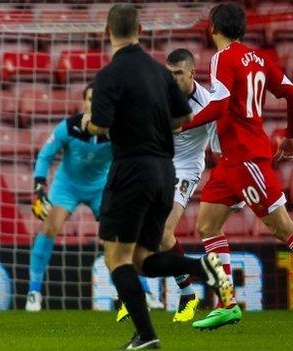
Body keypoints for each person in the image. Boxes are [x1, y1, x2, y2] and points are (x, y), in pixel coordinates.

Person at [86, 5, 232, 349]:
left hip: (133, 169)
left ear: (107, 31)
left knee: (116, 258)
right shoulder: (160, 74)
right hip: (163, 171)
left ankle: (147, 335)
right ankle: (203, 269)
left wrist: (89, 123)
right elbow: (180, 119)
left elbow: (100, 126)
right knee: (144, 259)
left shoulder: (109, 75)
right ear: (140, 28)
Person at [180, 2, 293, 330]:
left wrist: (181, 125)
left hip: (247, 158)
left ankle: (227, 303)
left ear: (212, 28)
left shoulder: (222, 58)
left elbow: (219, 106)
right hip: (231, 161)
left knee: (283, 230)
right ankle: (228, 304)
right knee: (207, 227)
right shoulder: (260, 58)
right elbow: (289, 91)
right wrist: (287, 136)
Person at [116, 48, 223, 324]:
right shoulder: (157, 95)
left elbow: (220, 152)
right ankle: (137, 296)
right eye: (169, 73)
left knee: (164, 231)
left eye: (178, 73)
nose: (172, 79)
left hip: (186, 168)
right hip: (157, 163)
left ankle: (188, 294)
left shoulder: (208, 103)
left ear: (191, 72)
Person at [26, 84, 113, 311]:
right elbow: (45, 155)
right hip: (68, 186)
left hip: (100, 188)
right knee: (49, 227)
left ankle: (143, 290)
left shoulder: (116, 129)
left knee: (116, 235)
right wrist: (38, 187)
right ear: (83, 102)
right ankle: (34, 291)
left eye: (99, 99)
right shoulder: (69, 126)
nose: (94, 103)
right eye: (90, 98)